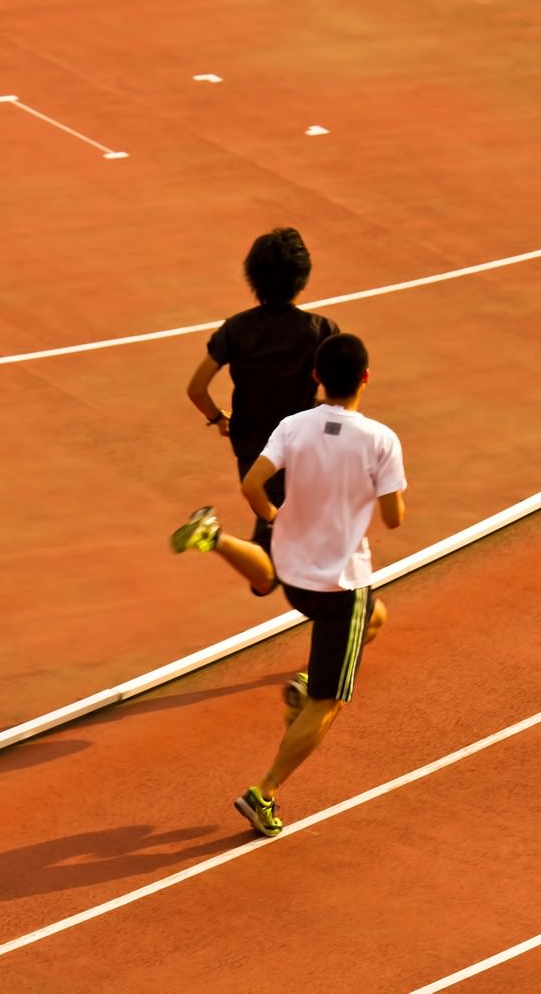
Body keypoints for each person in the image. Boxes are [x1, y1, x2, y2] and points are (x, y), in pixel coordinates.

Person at [170, 333, 407, 837]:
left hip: (293, 574)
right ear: (365, 377)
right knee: (331, 700)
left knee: (377, 618)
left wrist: (278, 519)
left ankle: (304, 683)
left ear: (317, 378)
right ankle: (266, 792)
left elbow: (251, 486)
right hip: (340, 586)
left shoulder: (293, 426)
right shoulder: (381, 440)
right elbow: (394, 519)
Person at [186, 227, 339, 551]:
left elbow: (197, 388)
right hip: (303, 447)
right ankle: (212, 537)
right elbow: (339, 395)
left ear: (252, 276)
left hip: (252, 448)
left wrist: (218, 419)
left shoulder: (236, 329)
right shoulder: (321, 331)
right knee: (277, 556)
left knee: (281, 537)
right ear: (303, 276)